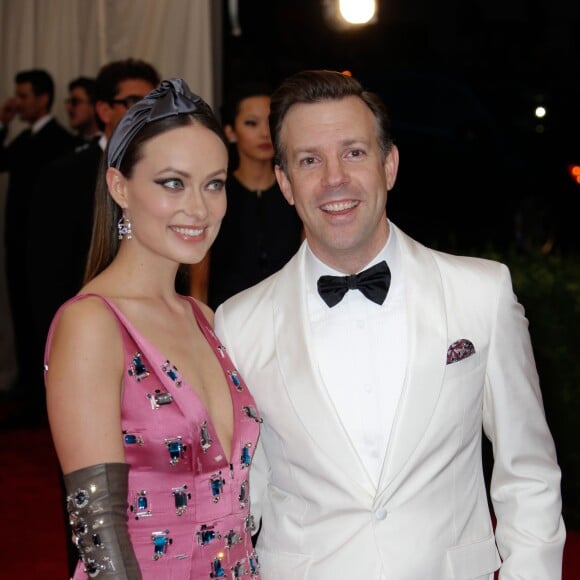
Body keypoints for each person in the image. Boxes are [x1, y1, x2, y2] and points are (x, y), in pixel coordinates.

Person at [214, 70, 566, 579]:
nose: (334, 178)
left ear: (390, 164)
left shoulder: (481, 293)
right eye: (310, 160)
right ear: (286, 183)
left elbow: (528, 470)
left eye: (354, 152)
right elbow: (242, 498)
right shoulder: (238, 323)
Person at [44, 78, 261, 579]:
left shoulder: (206, 320)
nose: (200, 208)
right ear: (120, 187)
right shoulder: (91, 323)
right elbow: (98, 533)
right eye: (172, 182)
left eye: (214, 183)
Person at [0, 68, 76, 417]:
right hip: (18, 243)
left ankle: (40, 396)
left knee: (43, 321)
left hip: (46, 248)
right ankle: (28, 389)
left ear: (43, 98)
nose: (19, 102)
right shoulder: (26, 138)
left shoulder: (60, 140)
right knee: (22, 316)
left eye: (25, 95)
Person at [190, 82, 302, 309]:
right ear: (230, 131)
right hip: (226, 320)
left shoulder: (297, 190)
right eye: (251, 123)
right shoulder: (213, 192)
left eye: (271, 122)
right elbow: (199, 282)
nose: (264, 133)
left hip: (288, 316)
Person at [65, 76, 101, 143]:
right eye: (68, 102)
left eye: (75, 102)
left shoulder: (111, 144)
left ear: (94, 106)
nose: (68, 107)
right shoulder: (67, 145)